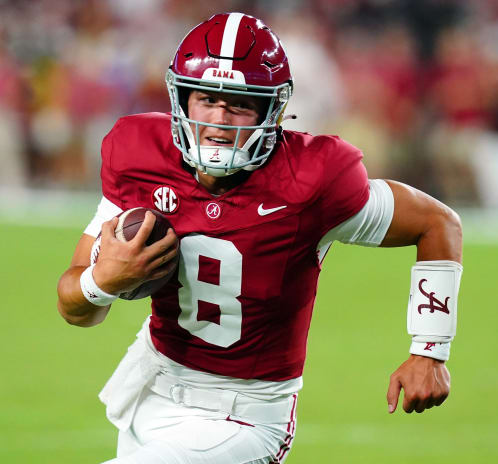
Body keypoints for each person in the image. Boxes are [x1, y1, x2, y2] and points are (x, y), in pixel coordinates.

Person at [57, 12, 463, 464]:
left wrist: (430, 350)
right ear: (181, 99)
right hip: (152, 386)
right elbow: (75, 309)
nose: (219, 120)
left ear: (273, 111)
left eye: (240, 103)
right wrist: (104, 281)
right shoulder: (139, 156)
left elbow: (438, 223)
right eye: (207, 99)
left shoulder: (312, 179)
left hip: (245, 416)